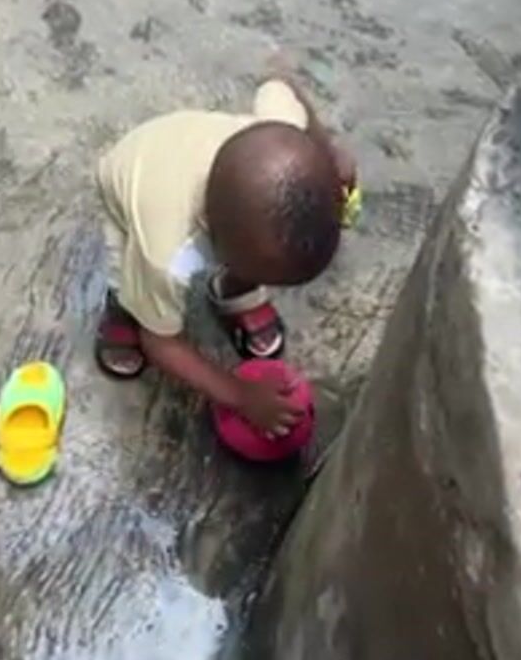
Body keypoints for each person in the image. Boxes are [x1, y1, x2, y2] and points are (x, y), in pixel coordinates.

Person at [95, 73, 358, 438]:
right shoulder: (166, 253)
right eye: (262, 278)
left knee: (262, 239)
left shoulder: (281, 130)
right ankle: (126, 307)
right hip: (128, 179)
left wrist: (325, 152)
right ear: (212, 243)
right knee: (133, 281)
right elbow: (161, 343)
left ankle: (236, 287)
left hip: (186, 147)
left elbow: (281, 85)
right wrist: (240, 395)